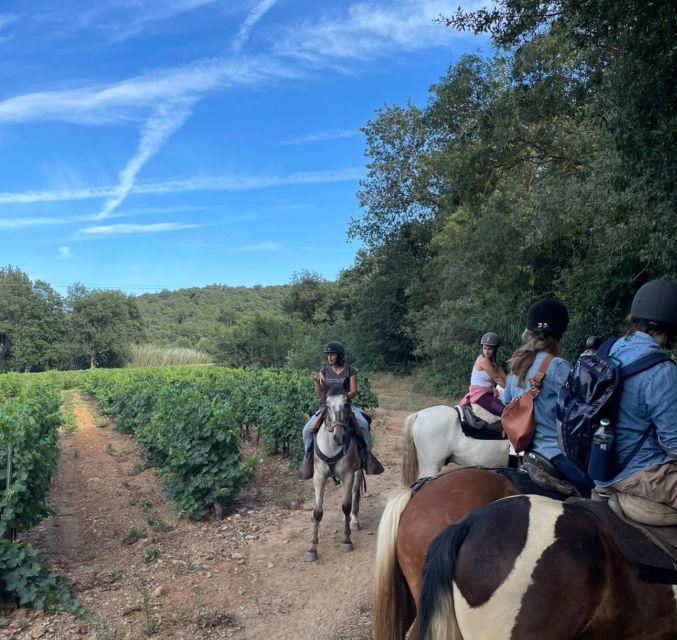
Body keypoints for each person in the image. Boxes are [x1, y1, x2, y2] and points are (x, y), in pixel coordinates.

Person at [594, 280, 677, 520]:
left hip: (601, 468)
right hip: (641, 474)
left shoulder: (608, 351)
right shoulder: (661, 370)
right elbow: (674, 447)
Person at [501, 298, 592, 489]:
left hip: (530, 454)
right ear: (559, 334)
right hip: (556, 454)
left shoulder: (517, 365)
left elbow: (506, 401)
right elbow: (584, 404)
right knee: (602, 484)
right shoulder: (557, 365)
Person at [298, 341, 384, 480]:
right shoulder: (324, 371)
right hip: (327, 406)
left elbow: (353, 391)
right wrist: (316, 382)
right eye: (328, 355)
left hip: (345, 405)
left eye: (332, 354)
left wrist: (340, 399)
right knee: (306, 430)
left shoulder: (350, 370)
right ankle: (308, 458)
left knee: (362, 425)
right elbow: (320, 393)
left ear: (339, 355)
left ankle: (367, 456)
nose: (329, 357)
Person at [460, 332, 506, 417]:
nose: (487, 352)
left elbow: (503, 377)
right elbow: (497, 379)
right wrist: (512, 392)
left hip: (487, 392)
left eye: (490, 349)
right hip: (480, 395)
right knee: (505, 411)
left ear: (495, 349)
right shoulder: (484, 360)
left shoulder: (494, 361)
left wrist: (513, 387)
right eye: (485, 348)